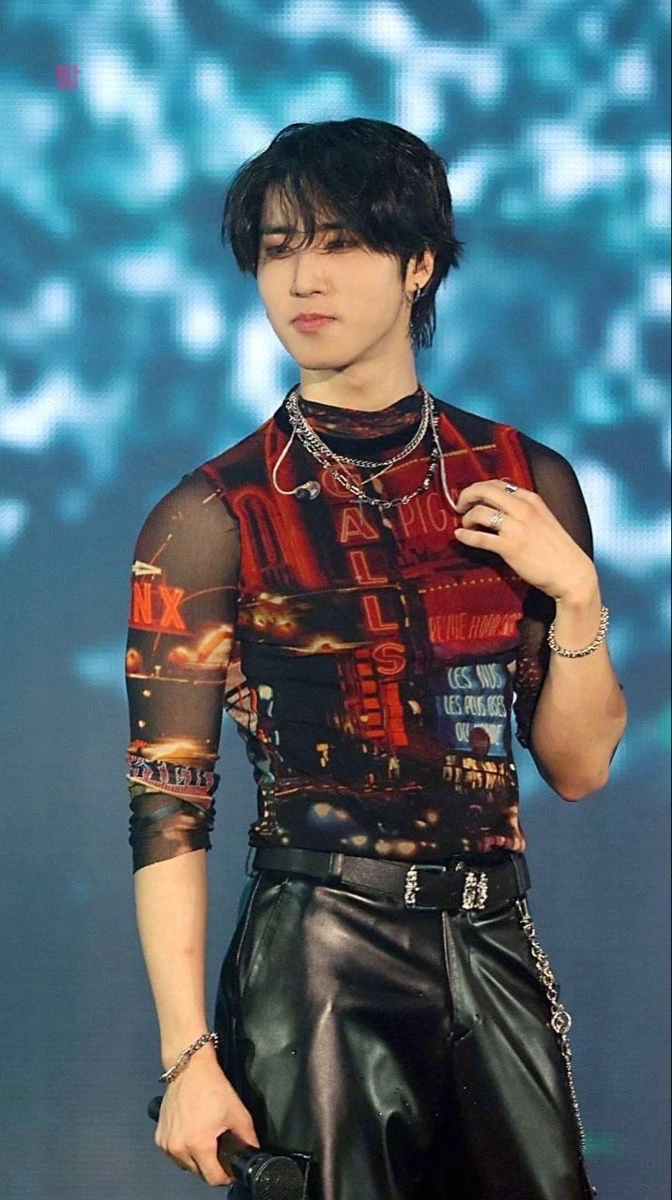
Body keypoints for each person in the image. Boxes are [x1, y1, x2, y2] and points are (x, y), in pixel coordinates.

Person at [124, 118, 627, 1199]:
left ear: (419, 263)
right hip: (318, 953)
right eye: (278, 247)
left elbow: (580, 769)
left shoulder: (522, 476)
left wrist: (577, 592)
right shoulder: (213, 514)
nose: (303, 277)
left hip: (492, 936)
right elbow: (167, 802)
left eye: (342, 243)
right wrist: (186, 1055)